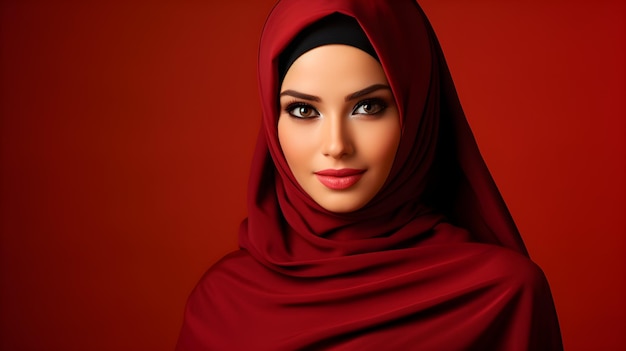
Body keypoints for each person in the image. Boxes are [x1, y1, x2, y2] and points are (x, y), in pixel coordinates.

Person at [176, 0, 563, 349]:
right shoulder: (222, 304)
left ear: (416, 113)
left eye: (367, 107)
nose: (337, 144)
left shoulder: (504, 297)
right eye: (303, 111)